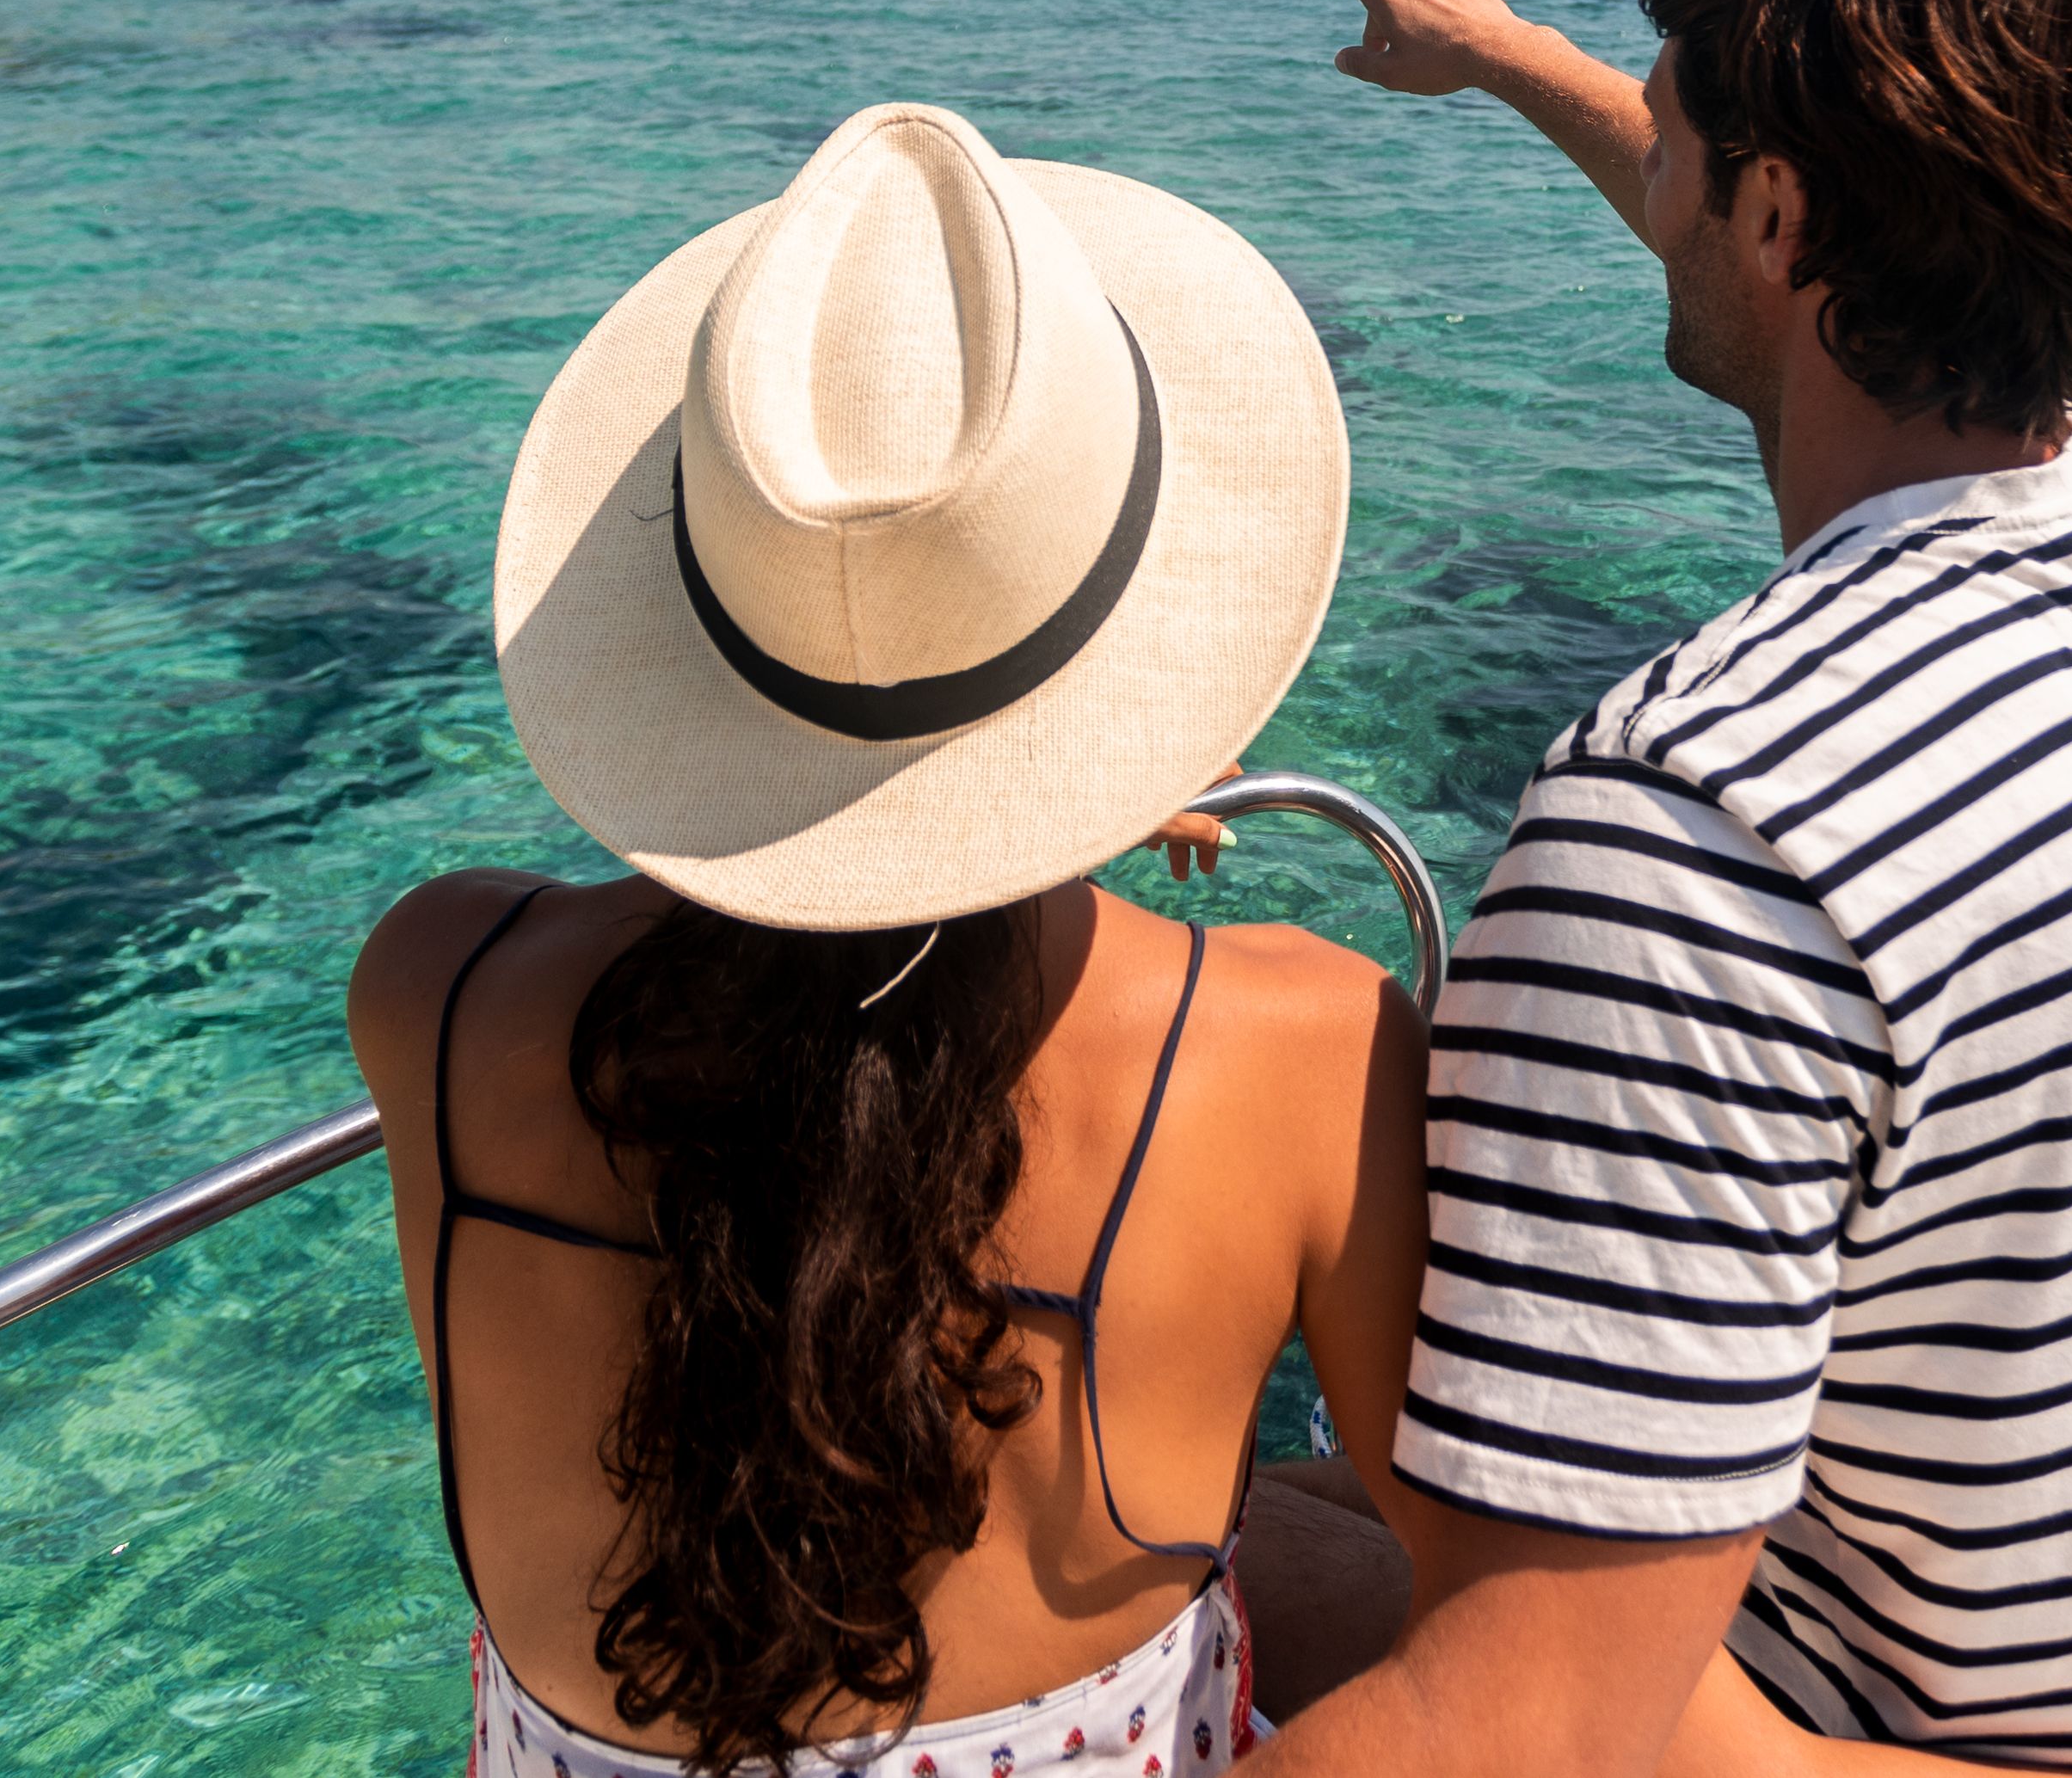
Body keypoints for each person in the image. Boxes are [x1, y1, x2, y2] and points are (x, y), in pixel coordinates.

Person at [1258, 0, 2072, 1778]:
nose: (1655, 170)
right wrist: (1498, 55)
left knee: (1153, 1576)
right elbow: (1759, 200)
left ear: (1786, 218)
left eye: (1675, 140)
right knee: (1261, 1512)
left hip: (1970, 1740)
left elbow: (1538, 1746)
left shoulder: (1698, 828)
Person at [354, 100, 1430, 1777]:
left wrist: (1003, 793)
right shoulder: (1303, 1045)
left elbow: (809, 1073)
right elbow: (1498, 1602)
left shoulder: (434, 987)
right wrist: (1070, 788)